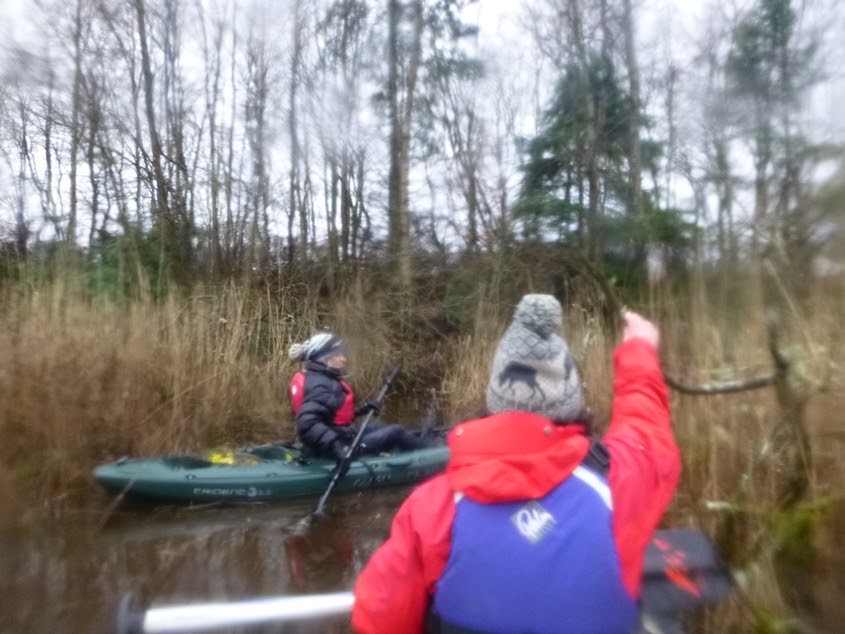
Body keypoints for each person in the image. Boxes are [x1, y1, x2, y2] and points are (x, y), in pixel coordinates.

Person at [352, 294, 681, 634]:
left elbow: (378, 616)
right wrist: (639, 347)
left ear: (494, 401)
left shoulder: (431, 507)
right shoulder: (620, 478)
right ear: (571, 401)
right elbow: (645, 426)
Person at [288, 332, 430, 465]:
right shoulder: (322, 385)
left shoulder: (316, 377)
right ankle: (434, 453)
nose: (344, 359)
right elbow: (307, 422)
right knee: (396, 432)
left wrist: (362, 410)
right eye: (339, 355)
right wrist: (337, 447)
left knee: (382, 428)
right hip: (338, 447)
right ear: (327, 358)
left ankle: (416, 444)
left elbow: (329, 414)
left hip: (340, 436)